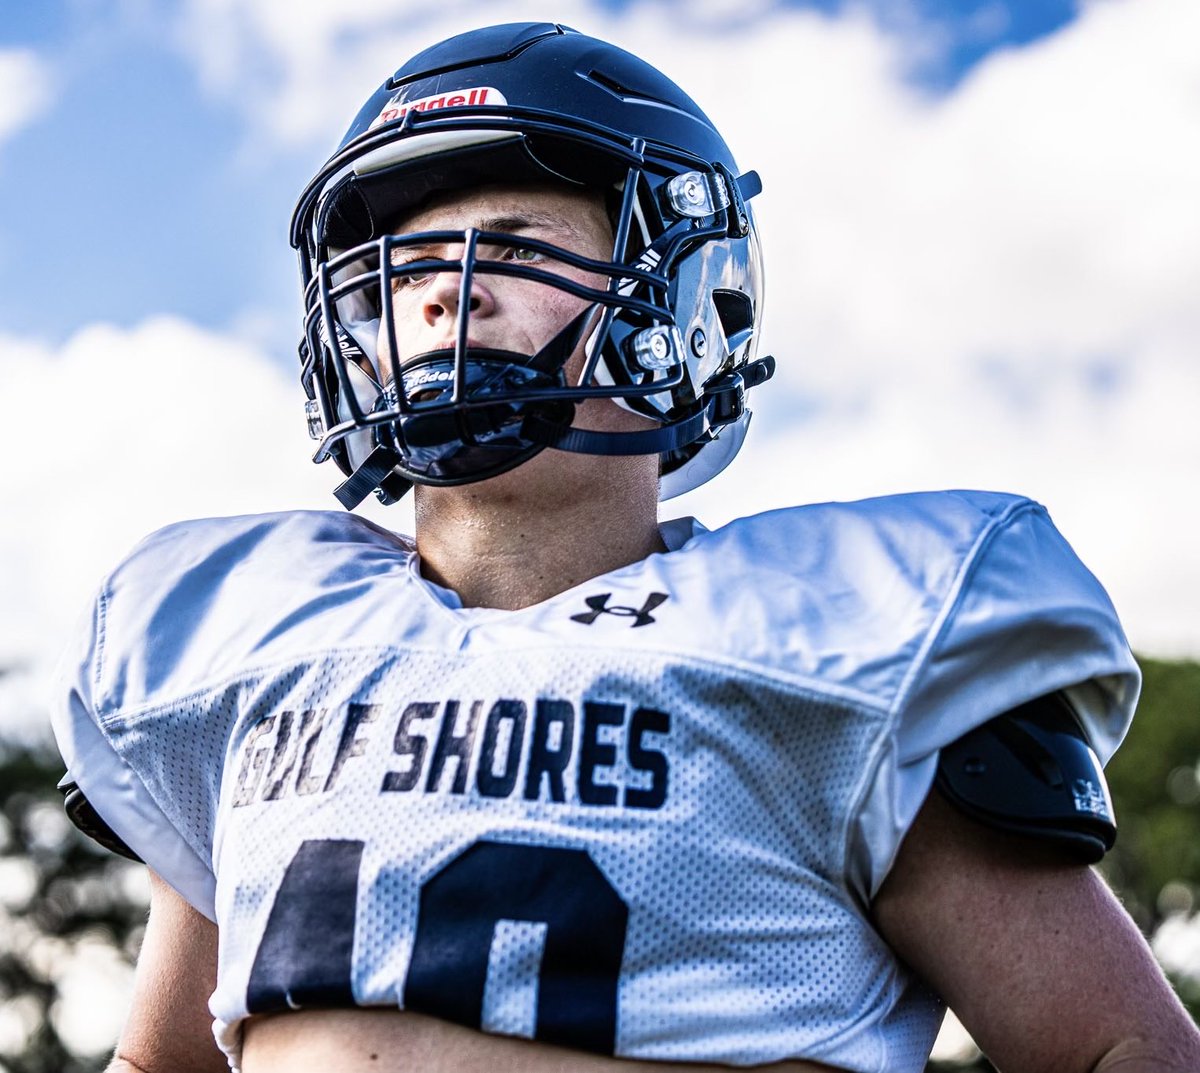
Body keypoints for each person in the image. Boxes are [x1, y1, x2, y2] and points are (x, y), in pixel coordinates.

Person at [51, 21, 1199, 1073]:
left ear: (677, 303)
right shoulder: (253, 646)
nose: (449, 296)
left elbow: (1117, 1047)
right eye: (405, 272)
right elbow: (161, 1060)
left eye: (509, 245)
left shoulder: (834, 650)